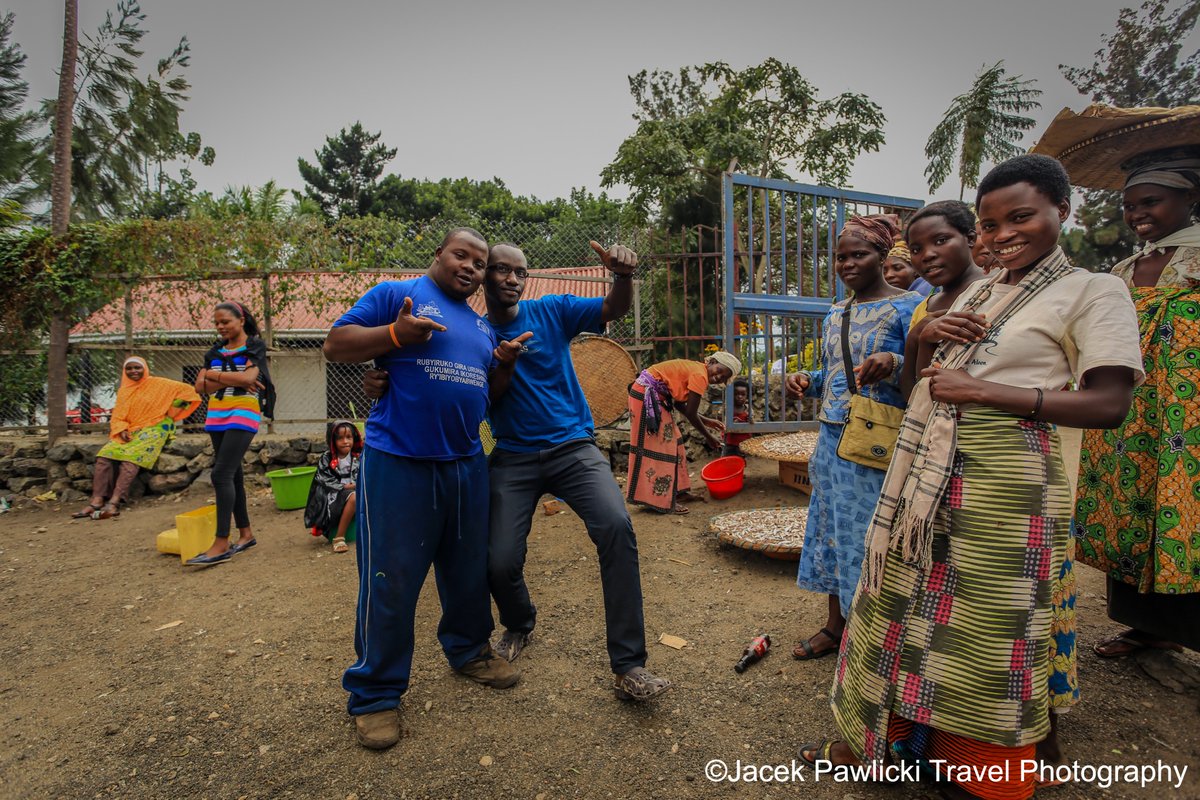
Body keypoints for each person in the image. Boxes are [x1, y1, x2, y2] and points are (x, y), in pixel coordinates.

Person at [804, 155, 1143, 800]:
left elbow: (1109, 404)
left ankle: (976, 776)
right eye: (989, 224)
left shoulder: (1094, 291)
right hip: (922, 480)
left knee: (983, 634)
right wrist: (923, 342)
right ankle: (890, 748)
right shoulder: (982, 290)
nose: (1002, 235)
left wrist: (984, 391)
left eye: (1021, 217)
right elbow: (919, 388)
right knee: (895, 612)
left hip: (1007, 486)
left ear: (1060, 212)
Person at [364, 240, 673, 702]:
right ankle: (520, 622)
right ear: (485, 278)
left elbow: (613, 306)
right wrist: (380, 377)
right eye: (501, 270)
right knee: (498, 560)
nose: (512, 279)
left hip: (573, 448)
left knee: (615, 524)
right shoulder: (476, 334)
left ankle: (629, 664)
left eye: (520, 272)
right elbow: (444, 379)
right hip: (511, 456)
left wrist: (624, 275)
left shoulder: (553, 311)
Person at [324, 227, 525, 751]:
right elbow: (335, 344)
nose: (471, 267)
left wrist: (502, 366)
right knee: (390, 578)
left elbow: (482, 393)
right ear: (439, 255)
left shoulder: (481, 327)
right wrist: (395, 335)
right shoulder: (396, 296)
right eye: (462, 255)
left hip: (463, 464)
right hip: (399, 462)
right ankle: (375, 696)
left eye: (480, 263)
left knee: (466, 571)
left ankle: (469, 651)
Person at [1077, 151, 1200, 657]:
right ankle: (1147, 625)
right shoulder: (1127, 267)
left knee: (1183, 505)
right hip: (1133, 407)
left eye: (1149, 202)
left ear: (1190, 199)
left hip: (1187, 410)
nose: (1136, 215)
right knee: (1131, 504)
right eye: (1128, 206)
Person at [783, 214, 921, 661]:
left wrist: (895, 362)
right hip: (832, 442)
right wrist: (808, 378)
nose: (847, 264)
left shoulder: (908, 309)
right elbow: (837, 372)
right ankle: (835, 627)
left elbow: (924, 374)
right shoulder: (835, 312)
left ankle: (873, 640)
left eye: (858, 254)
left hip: (876, 443)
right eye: (840, 257)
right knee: (830, 531)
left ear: (883, 256)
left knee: (868, 536)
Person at [186, 302, 270, 566]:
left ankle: (221, 542)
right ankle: (246, 534)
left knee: (220, 474)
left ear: (241, 320)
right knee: (232, 475)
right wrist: (231, 376)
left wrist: (213, 375)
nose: (221, 327)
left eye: (226, 322)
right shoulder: (214, 351)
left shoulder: (255, 346)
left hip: (243, 412)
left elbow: (250, 380)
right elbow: (200, 387)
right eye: (217, 323)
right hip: (217, 414)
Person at [72, 356, 200, 520]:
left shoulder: (160, 384)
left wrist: (170, 413)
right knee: (104, 455)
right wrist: (122, 428)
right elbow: (118, 416)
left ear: (145, 368)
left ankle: (114, 502)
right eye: (129, 368)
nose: (133, 371)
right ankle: (96, 500)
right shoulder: (124, 391)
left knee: (131, 458)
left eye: (137, 367)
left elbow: (190, 392)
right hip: (131, 429)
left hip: (156, 428)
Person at [626, 351, 739, 514]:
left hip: (650, 394)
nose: (717, 377)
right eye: (719, 371)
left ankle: (679, 493)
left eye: (722, 378)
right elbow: (691, 414)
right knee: (662, 447)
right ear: (712, 361)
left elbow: (680, 405)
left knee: (675, 441)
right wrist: (709, 437)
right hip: (645, 396)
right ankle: (660, 500)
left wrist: (707, 421)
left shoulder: (697, 370)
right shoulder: (700, 375)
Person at [899, 200, 986, 398]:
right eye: (916, 249)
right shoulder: (924, 308)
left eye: (941, 240)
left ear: (970, 238)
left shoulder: (1000, 291)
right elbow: (910, 393)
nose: (927, 255)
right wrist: (917, 338)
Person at [304, 420, 362, 554]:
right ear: (332, 440)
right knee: (354, 498)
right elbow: (323, 479)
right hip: (334, 494)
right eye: (340, 438)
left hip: (354, 488)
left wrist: (356, 484)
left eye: (349, 437)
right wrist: (343, 486)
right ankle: (339, 537)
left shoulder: (358, 457)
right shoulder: (327, 458)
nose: (345, 441)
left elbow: (365, 474)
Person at [721, 377, 752, 457]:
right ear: (732, 394)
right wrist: (730, 423)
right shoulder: (728, 408)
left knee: (740, 461)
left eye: (743, 394)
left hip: (743, 442)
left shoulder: (748, 409)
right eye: (736, 394)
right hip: (729, 442)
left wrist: (750, 420)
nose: (740, 397)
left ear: (747, 396)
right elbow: (721, 423)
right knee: (727, 460)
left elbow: (753, 423)